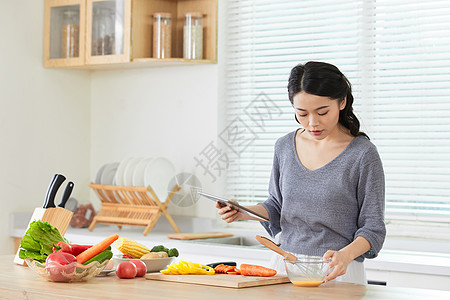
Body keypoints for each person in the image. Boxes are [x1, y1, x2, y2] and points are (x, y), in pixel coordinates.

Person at [217, 61, 386, 284]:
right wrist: (242, 211)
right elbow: (277, 206)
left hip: (336, 271)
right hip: (285, 266)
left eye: (322, 112)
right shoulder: (284, 147)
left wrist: (346, 255)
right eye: (302, 113)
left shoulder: (363, 154)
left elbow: (373, 227)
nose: (313, 123)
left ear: (342, 101)